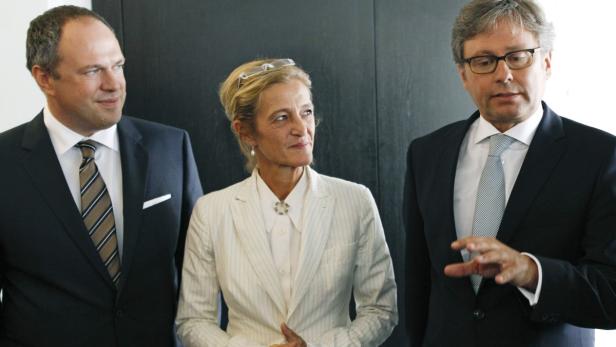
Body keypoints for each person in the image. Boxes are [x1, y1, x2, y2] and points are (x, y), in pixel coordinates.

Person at [404, 0, 616, 346]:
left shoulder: (600, 156)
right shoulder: (426, 153)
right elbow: (418, 285)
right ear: (463, 75)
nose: (503, 74)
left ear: (546, 62)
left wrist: (530, 272)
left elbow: (611, 292)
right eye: (484, 61)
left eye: (518, 56)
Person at [0, 6, 203, 347]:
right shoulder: (5, 162)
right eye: (93, 70)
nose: (114, 84)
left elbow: (202, 273)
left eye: (118, 65)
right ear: (44, 78)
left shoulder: (171, 147)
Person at [176, 58, 397, 346]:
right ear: (245, 132)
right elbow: (193, 321)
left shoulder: (355, 201)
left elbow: (381, 310)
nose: (301, 128)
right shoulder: (212, 212)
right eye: (281, 117)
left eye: (306, 112)